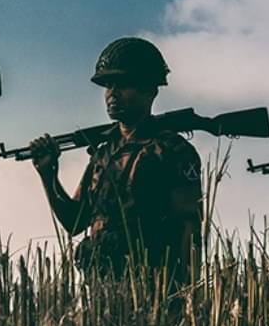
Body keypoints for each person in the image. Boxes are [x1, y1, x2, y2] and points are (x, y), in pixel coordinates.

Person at [27, 37, 203, 285]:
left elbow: (189, 228)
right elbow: (75, 223)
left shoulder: (171, 151)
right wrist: (48, 175)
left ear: (150, 91)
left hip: (153, 287)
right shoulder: (104, 154)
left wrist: (188, 294)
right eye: (108, 85)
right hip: (104, 290)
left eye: (124, 84)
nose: (112, 94)